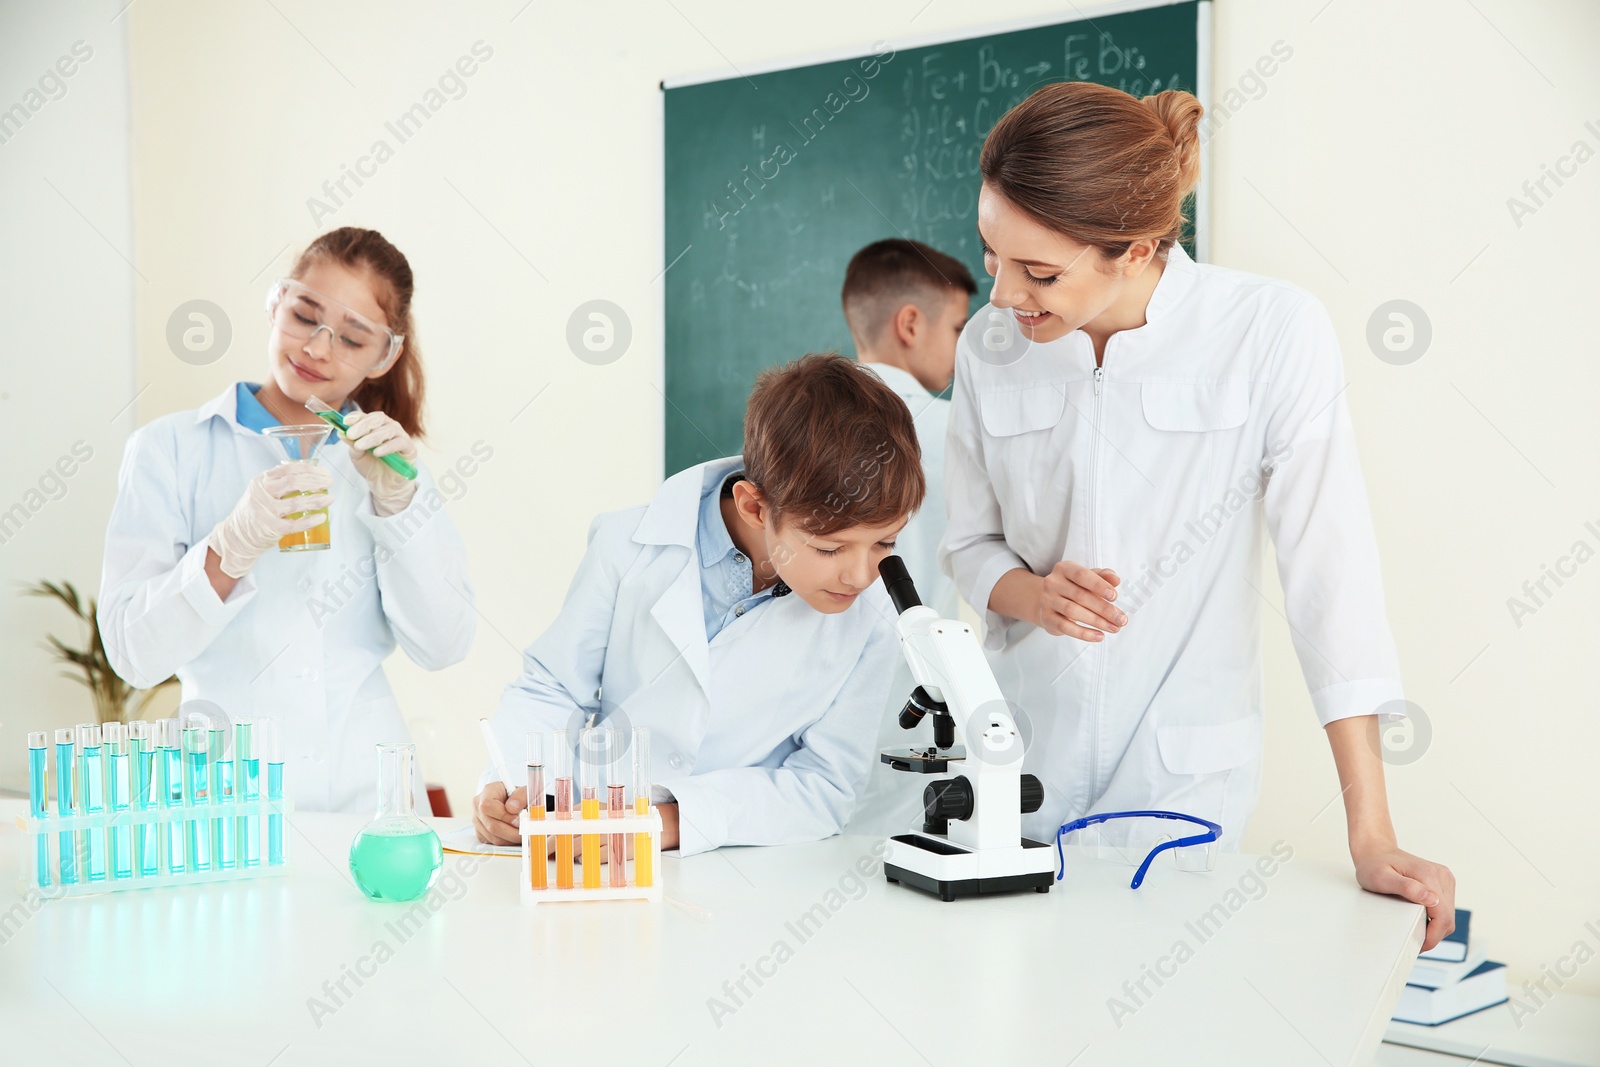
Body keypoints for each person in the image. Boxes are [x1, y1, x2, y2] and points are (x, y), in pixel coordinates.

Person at [943, 82, 1456, 947]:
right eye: (993, 255)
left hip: (1181, 788)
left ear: (1136, 247)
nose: (1002, 297)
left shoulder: (1268, 330)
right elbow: (967, 543)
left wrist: (1370, 832)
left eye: (1039, 272)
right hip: (1023, 765)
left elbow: (1332, 579)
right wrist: (1032, 595)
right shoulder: (990, 347)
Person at [473, 353, 922, 855]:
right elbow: (552, 687)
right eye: (829, 548)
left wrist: (664, 823)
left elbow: (824, 787)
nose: (861, 575)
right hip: (580, 837)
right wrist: (515, 788)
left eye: (885, 543)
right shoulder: (627, 545)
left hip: (741, 868)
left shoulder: (876, 614)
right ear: (755, 506)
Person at [99, 227, 474, 813]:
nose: (319, 348)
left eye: (353, 338)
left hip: (369, 801)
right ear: (276, 304)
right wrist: (229, 548)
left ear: (385, 356)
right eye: (305, 315)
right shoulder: (169, 449)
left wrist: (400, 508)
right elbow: (134, 657)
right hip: (221, 795)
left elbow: (445, 644)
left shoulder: (388, 465)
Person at [839, 238, 974, 836]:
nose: (964, 346)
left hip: (806, 720)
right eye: (958, 327)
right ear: (911, 323)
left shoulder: (796, 431)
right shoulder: (961, 434)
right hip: (913, 716)